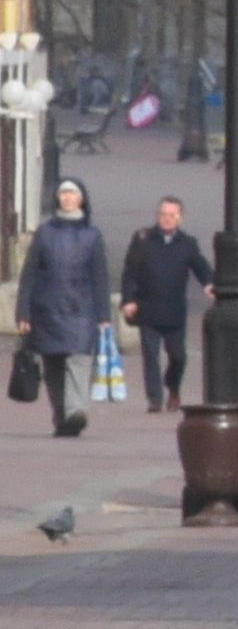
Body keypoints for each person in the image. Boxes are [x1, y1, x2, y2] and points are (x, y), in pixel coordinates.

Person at [18, 177, 113, 439]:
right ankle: (62, 417)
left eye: (72, 194)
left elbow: (100, 276)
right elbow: (30, 274)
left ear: (81, 199)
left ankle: (76, 412)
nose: (67, 198)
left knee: (79, 361)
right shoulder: (45, 233)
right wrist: (23, 312)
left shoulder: (92, 235)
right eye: (63, 194)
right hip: (46, 310)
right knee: (54, 367)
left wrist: (104, 315)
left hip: (81, 310)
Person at [119, 195, 209, 411]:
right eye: (163, 214)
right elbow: (129, 272)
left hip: (174, 311)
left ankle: (173, 386)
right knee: (150, 356)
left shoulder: (187, 243)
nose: (166, 219)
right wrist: (128, 300)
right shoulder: (143, 239)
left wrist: (209, 284)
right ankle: (155, 399)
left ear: (180, 218)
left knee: (178, 356)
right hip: (147, 307)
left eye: (172, 215)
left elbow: (201, 267)